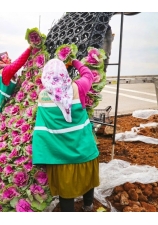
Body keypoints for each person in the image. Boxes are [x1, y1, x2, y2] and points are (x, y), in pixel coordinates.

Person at [32, 58, 100, 212]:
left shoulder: (42, 95)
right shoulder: (78, 87)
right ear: (63, 73)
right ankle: (88, 206)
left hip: (60, 155)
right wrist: (75, 62)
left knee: (65, 189)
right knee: (87, 179)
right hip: (84, 149)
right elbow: (88, 75)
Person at [0, 46, 32, 118]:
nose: (10, 59)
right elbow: (19, 62)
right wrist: (30, 48)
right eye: (7, 58)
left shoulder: (2, 71)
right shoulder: (5, 71)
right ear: (1, 61)